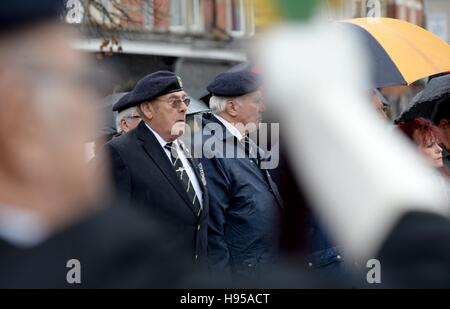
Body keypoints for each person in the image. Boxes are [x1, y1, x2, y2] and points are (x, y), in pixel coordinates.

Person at [0, 0, 190, 288]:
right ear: (19, 114)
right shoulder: (113, 253)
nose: (93, 105)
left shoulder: (123, 245)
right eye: (86, 82)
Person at [103, 71, 209, 266]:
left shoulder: (185, 150)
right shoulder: (119, 153)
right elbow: (110, 230)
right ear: (148, 109)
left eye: (184, 100)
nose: (184, 108)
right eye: (174, 102)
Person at [199, 70, 283, 280]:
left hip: (263, 265)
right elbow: (212, 229)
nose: (263, 108)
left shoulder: (244, 141)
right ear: (232, 106)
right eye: (257, 101)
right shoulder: (211, 149)